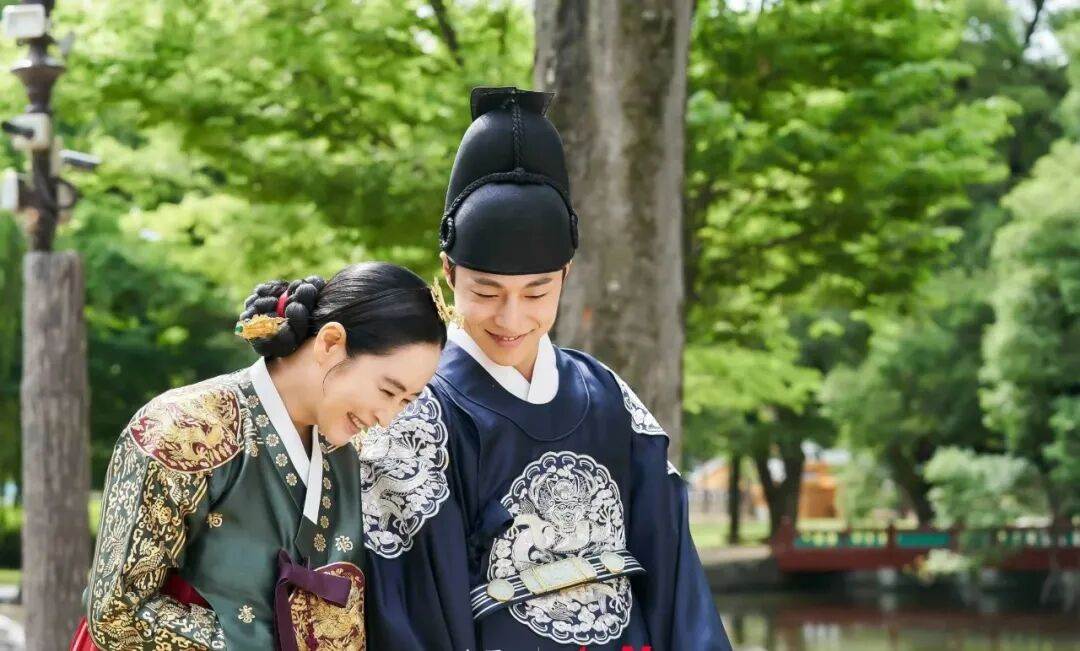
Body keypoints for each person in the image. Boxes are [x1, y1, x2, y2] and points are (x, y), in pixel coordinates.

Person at [363, 87, 732, 650]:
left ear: (566, 275)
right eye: (486, 292)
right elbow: (411, 613)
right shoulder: (416, 415)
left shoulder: (607, 396)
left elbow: (677, 581)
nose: (511, 319)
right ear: (449, 272)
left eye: (536, 293)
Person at [71, 262, 447, 651]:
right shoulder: (184, 427)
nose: (386, 418)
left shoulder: (344, 456)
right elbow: (117, 612)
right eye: (388, 391)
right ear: (330, 342)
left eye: (406, 401)